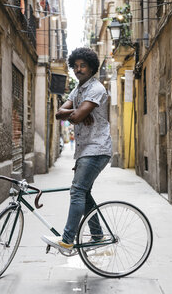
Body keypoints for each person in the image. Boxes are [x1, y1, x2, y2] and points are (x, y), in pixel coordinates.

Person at [41, 47, 112, 251]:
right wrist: (76, 111)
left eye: (83, 66)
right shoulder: (78, 90)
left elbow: (73, 118)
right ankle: (97, 235)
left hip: (97, 149)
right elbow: (59, 113)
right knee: (84, 192)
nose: (79, 69)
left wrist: (75, 113)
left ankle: (67, 240)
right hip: (85, 150)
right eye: (76, 66)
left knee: (77, 191)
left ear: (91, 68)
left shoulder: (96, 89)